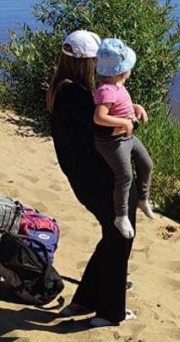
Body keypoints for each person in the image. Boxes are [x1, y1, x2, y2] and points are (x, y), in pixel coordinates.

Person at [47, 30, 137, 327]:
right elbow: (107, 129)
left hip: (86, 176)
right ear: (88, 62)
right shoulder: (77, 97)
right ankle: (110, 311)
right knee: (119, 237)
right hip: (97, 178)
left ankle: (86, 298)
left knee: (113, 236)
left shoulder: (64, 89)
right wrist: (128, 120)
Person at [92, 38, 155, 234]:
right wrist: (125, 122)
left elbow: (121, 106)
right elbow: (99, 117)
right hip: (112, 142)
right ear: (122, 70)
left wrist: (136, 108)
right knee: (125, 176)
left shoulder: (117, 86)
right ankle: (121, 216)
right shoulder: (106, 90)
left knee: (147, 164)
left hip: (127, 138)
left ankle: (142, 199)